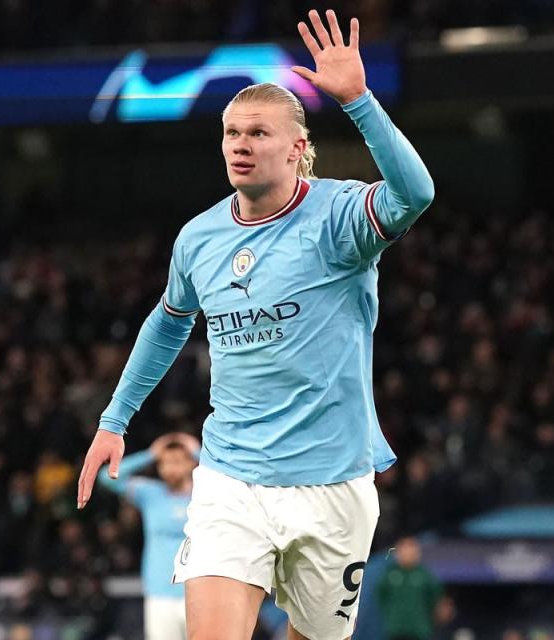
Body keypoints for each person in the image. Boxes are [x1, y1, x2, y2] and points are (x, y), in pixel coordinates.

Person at [77, 8, 435, 639]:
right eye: (231, 133)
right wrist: (115, 419)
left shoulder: (339, 216)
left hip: (333, 483)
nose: (240, 145)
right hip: (231, 477)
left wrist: (358, 101)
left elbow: (416, 194)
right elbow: (168, 322)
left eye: (258, 134)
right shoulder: (200, 237)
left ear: (298, 148)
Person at [98, 432, 199, 640]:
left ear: (191, 464)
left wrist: (198, 452)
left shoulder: (206, 493)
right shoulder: (150, 493)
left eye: (178, 461)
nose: (171, 467)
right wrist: (150, 454)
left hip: (198, 591)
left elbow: (232, 477)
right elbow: (107, 477)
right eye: (164, 462)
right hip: (159, 593)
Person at [376, 538, 452, 640]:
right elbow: (381, 596)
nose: (407, 553)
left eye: (411, 549)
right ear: (398, 552)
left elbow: (437, 599)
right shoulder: (389, 573)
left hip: (419, 630)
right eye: (404, 549)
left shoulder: (424, 574)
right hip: (395, 629)